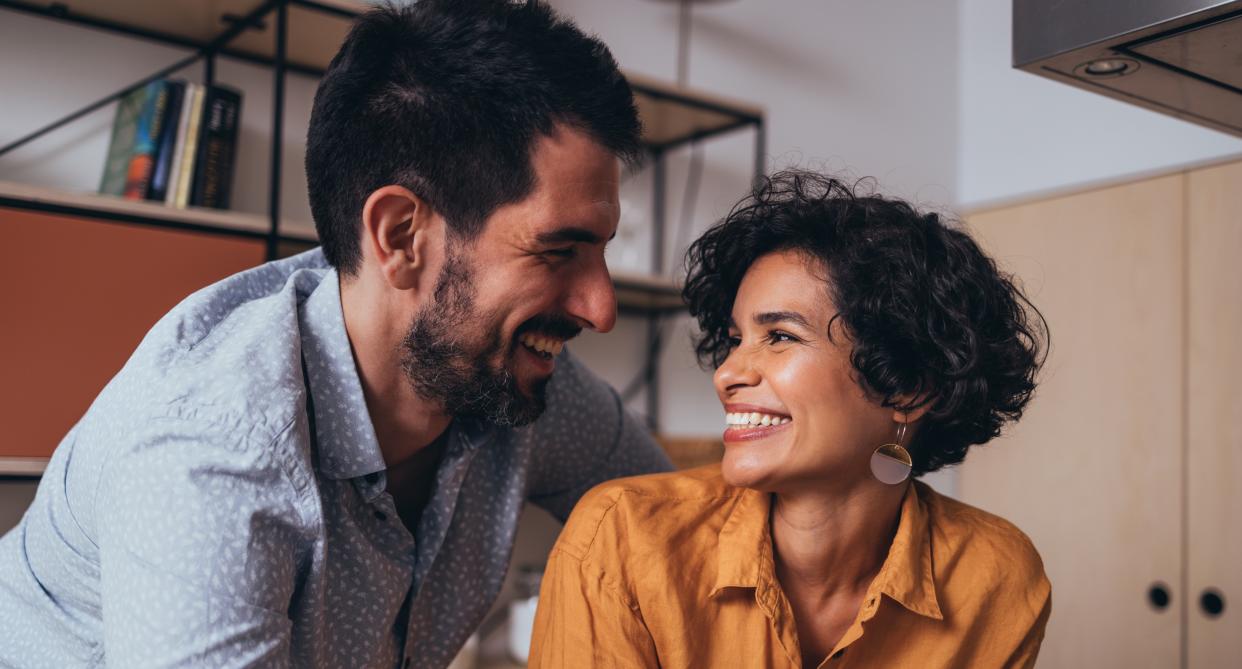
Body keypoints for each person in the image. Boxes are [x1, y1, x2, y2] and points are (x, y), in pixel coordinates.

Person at [0, 2, 671, 667]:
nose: (601, 307)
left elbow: (682, 526)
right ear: (401, 236)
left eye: (602, 251)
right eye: (560, 251)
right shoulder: (213, 451)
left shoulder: (501, 375)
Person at [529, 170, 1052, 668]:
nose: (727, 373)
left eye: (779, 336)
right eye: (735, 341)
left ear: (908, 386)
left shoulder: (995, 574)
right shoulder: (622, 540)